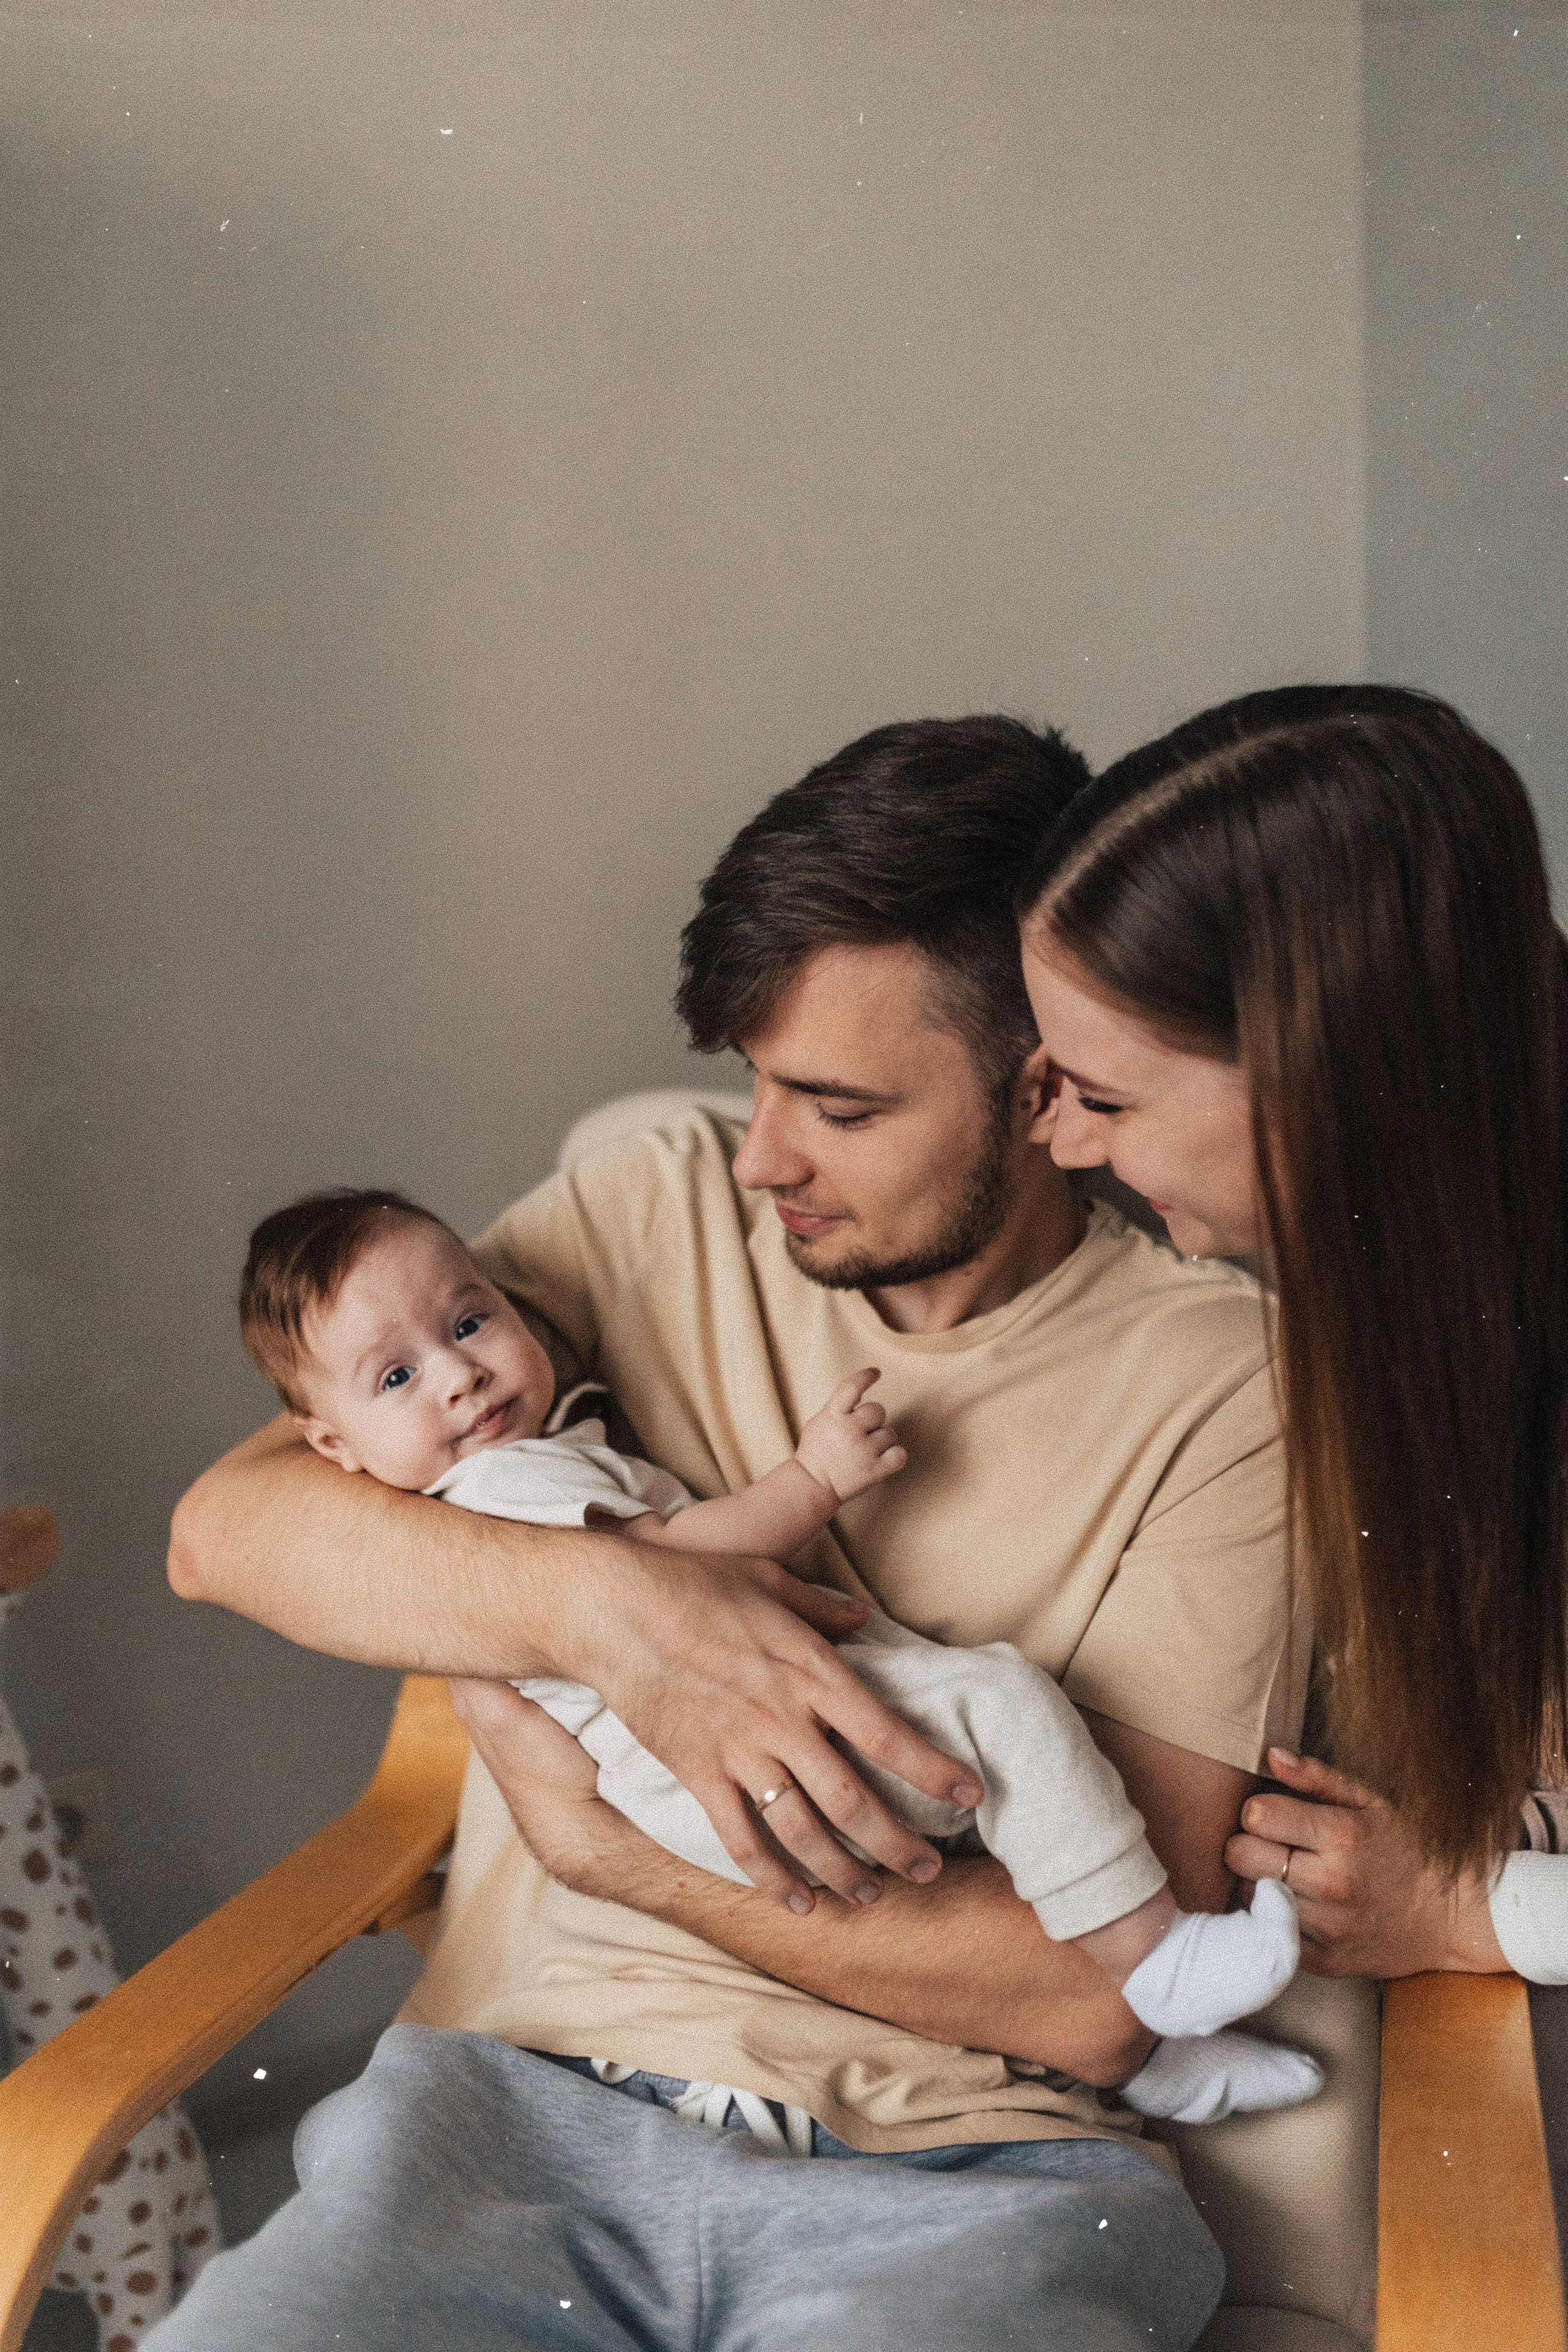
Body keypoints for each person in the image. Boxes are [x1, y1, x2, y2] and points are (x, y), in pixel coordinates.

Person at [157, 715, 1309, 2352]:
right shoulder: (652, 1200)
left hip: (971, 2187)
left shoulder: (1223, 1394)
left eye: (835, 1107)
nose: (762, 1156)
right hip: (505, 2123)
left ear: (1044, 1089)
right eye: (753, 1080)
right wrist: (616, 1612)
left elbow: (1096, 2001)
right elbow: (229, 1529)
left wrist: (607, 1849)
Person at [233, 1185, 1317, 2125]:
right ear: (331, 1448)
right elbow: (661, 1565)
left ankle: (1158, 2064)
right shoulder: (502, 1489)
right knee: (1002, 1704)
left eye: (471, 1320)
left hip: (702, 1786)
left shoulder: (529, 1459)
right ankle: (1157, 1960)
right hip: (718, 1777)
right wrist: (812, 1482)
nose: (458, 1377)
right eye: (395, 1382)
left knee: (1009, 1820)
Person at [1014, 680, 1568, 1989]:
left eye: (1100, 1095)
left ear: (1321, 1074)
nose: (1064, 1142)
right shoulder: (1422, 1267)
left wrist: (1474, 1915)